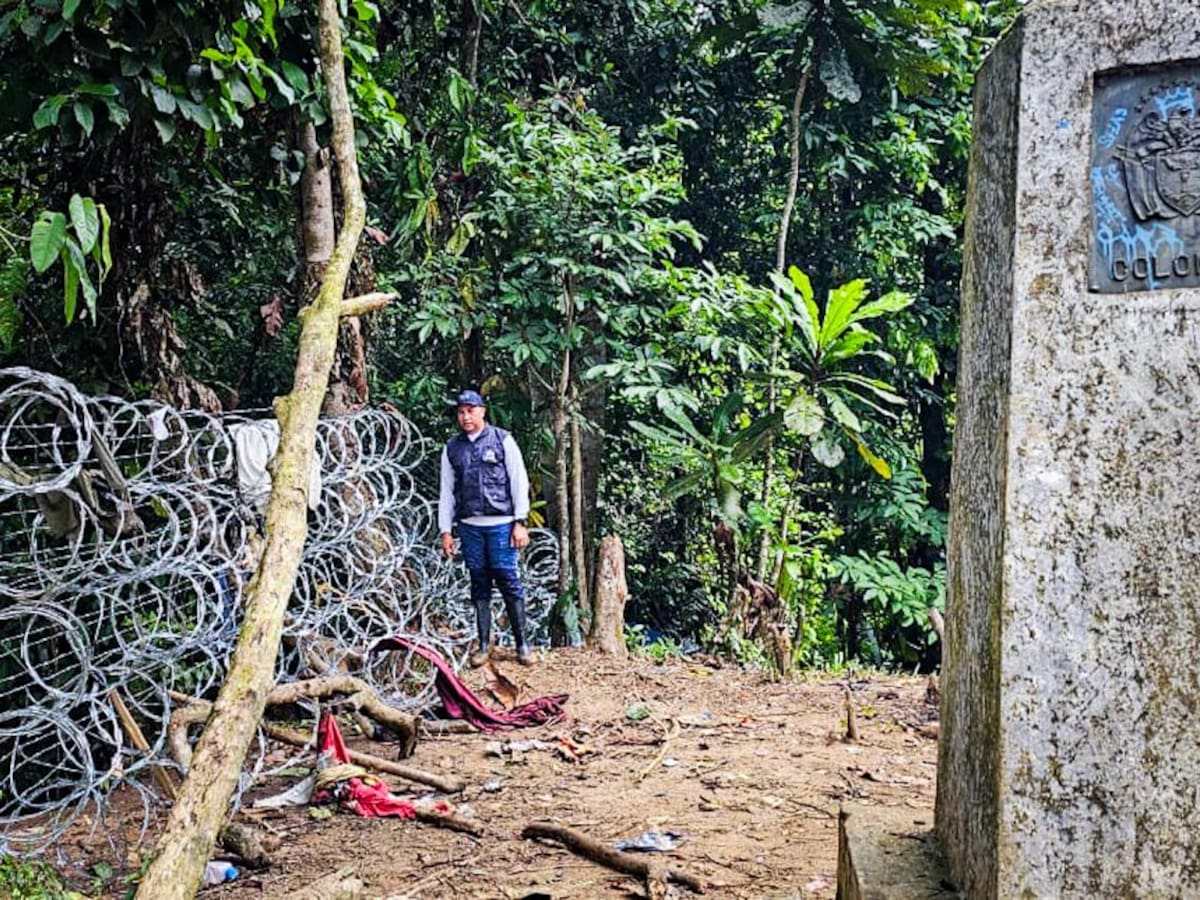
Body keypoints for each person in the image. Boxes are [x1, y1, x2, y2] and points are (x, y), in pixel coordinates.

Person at [438, 390, 534, 666]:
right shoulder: (452, 449)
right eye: (461, 411)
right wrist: (446, 530)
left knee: (508, 581)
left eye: (471, 410)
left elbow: (518, 480)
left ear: (483, 411)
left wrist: (520, 521)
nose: (466, 416)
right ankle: (482, 645)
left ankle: (522, 645)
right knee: (479, 583)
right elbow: (447, 492)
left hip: (501, 524)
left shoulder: (503, 440)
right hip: (469, 526)